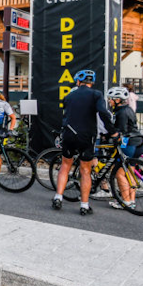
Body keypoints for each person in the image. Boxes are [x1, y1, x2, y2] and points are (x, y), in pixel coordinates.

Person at [52, 70, 118, 215]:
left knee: (65, 165)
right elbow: (103, 113)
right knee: (85, 170)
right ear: (91, 82)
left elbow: (65, 115)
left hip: (69, 133)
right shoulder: (96, 95)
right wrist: (112, 132)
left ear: (78, 81)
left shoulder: (69, 95)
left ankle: (58, 197)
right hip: (86, 136)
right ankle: (84, 205)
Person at [107, 86, 139, 211]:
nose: (109, 101)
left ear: (117, 100)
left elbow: (121, 131)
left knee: (120, 174)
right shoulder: (129, 109)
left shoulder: (120, 113)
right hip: (137, 142)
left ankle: (125, 201)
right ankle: (131, 200)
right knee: (130, 172)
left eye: (111, 99)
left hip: (128, 143)